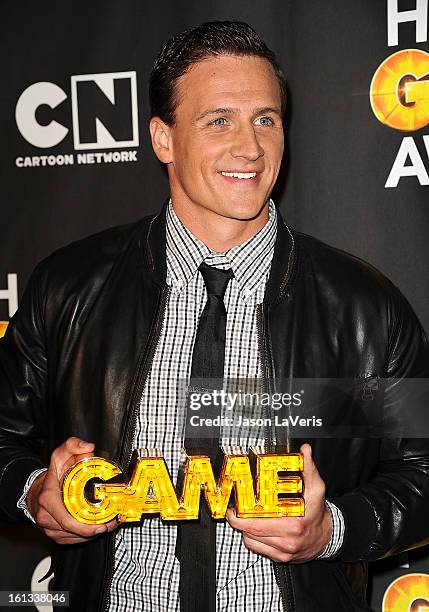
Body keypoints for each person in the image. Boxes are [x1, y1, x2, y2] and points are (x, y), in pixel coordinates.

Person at [0, 20, 428, 612]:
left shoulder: (365, 308)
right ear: (163, 138)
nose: (250, 147)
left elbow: (423, 471)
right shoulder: (66, 287)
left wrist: (333, 529)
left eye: (265, 119)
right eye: (218, 119)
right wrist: (34, 492)